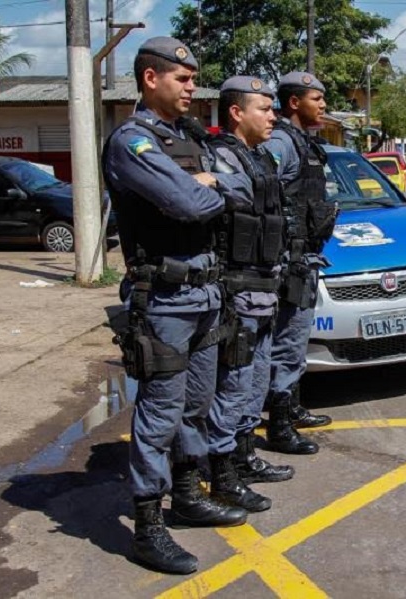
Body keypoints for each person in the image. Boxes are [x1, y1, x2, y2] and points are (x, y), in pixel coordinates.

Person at [102, 36, 247, 576]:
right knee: (160, 411)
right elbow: (188, 204)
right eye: (183, 79)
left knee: (196, 404)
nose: (192, 87)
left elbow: (243, 188)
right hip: (163, 299)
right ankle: (147, 526)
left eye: (193, 78)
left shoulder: (186, 138)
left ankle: (187, 497)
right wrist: (207, 187)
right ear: (150, 79)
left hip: (206, 294)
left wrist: (211, 181)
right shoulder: (132, 142)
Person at [205, 76, 293, 514]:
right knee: (234, 383)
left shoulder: (260, 158)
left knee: (254, 380)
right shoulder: (222, 155)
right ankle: (222, 475)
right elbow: (231, 202)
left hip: (264, 286)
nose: (273, 115)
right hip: (237, 289)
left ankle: (243, 456)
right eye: (264, 108)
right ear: (237, 112)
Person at [262, 71, 338, 454]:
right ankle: (278, 427)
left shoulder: (303, 142)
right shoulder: (281, 143)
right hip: (289, 259)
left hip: (305, 256)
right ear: (295, 102)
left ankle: (290, 407)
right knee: (287, 343)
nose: (323, 105)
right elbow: (260, 189)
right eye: (316, 98)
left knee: (296, 339)